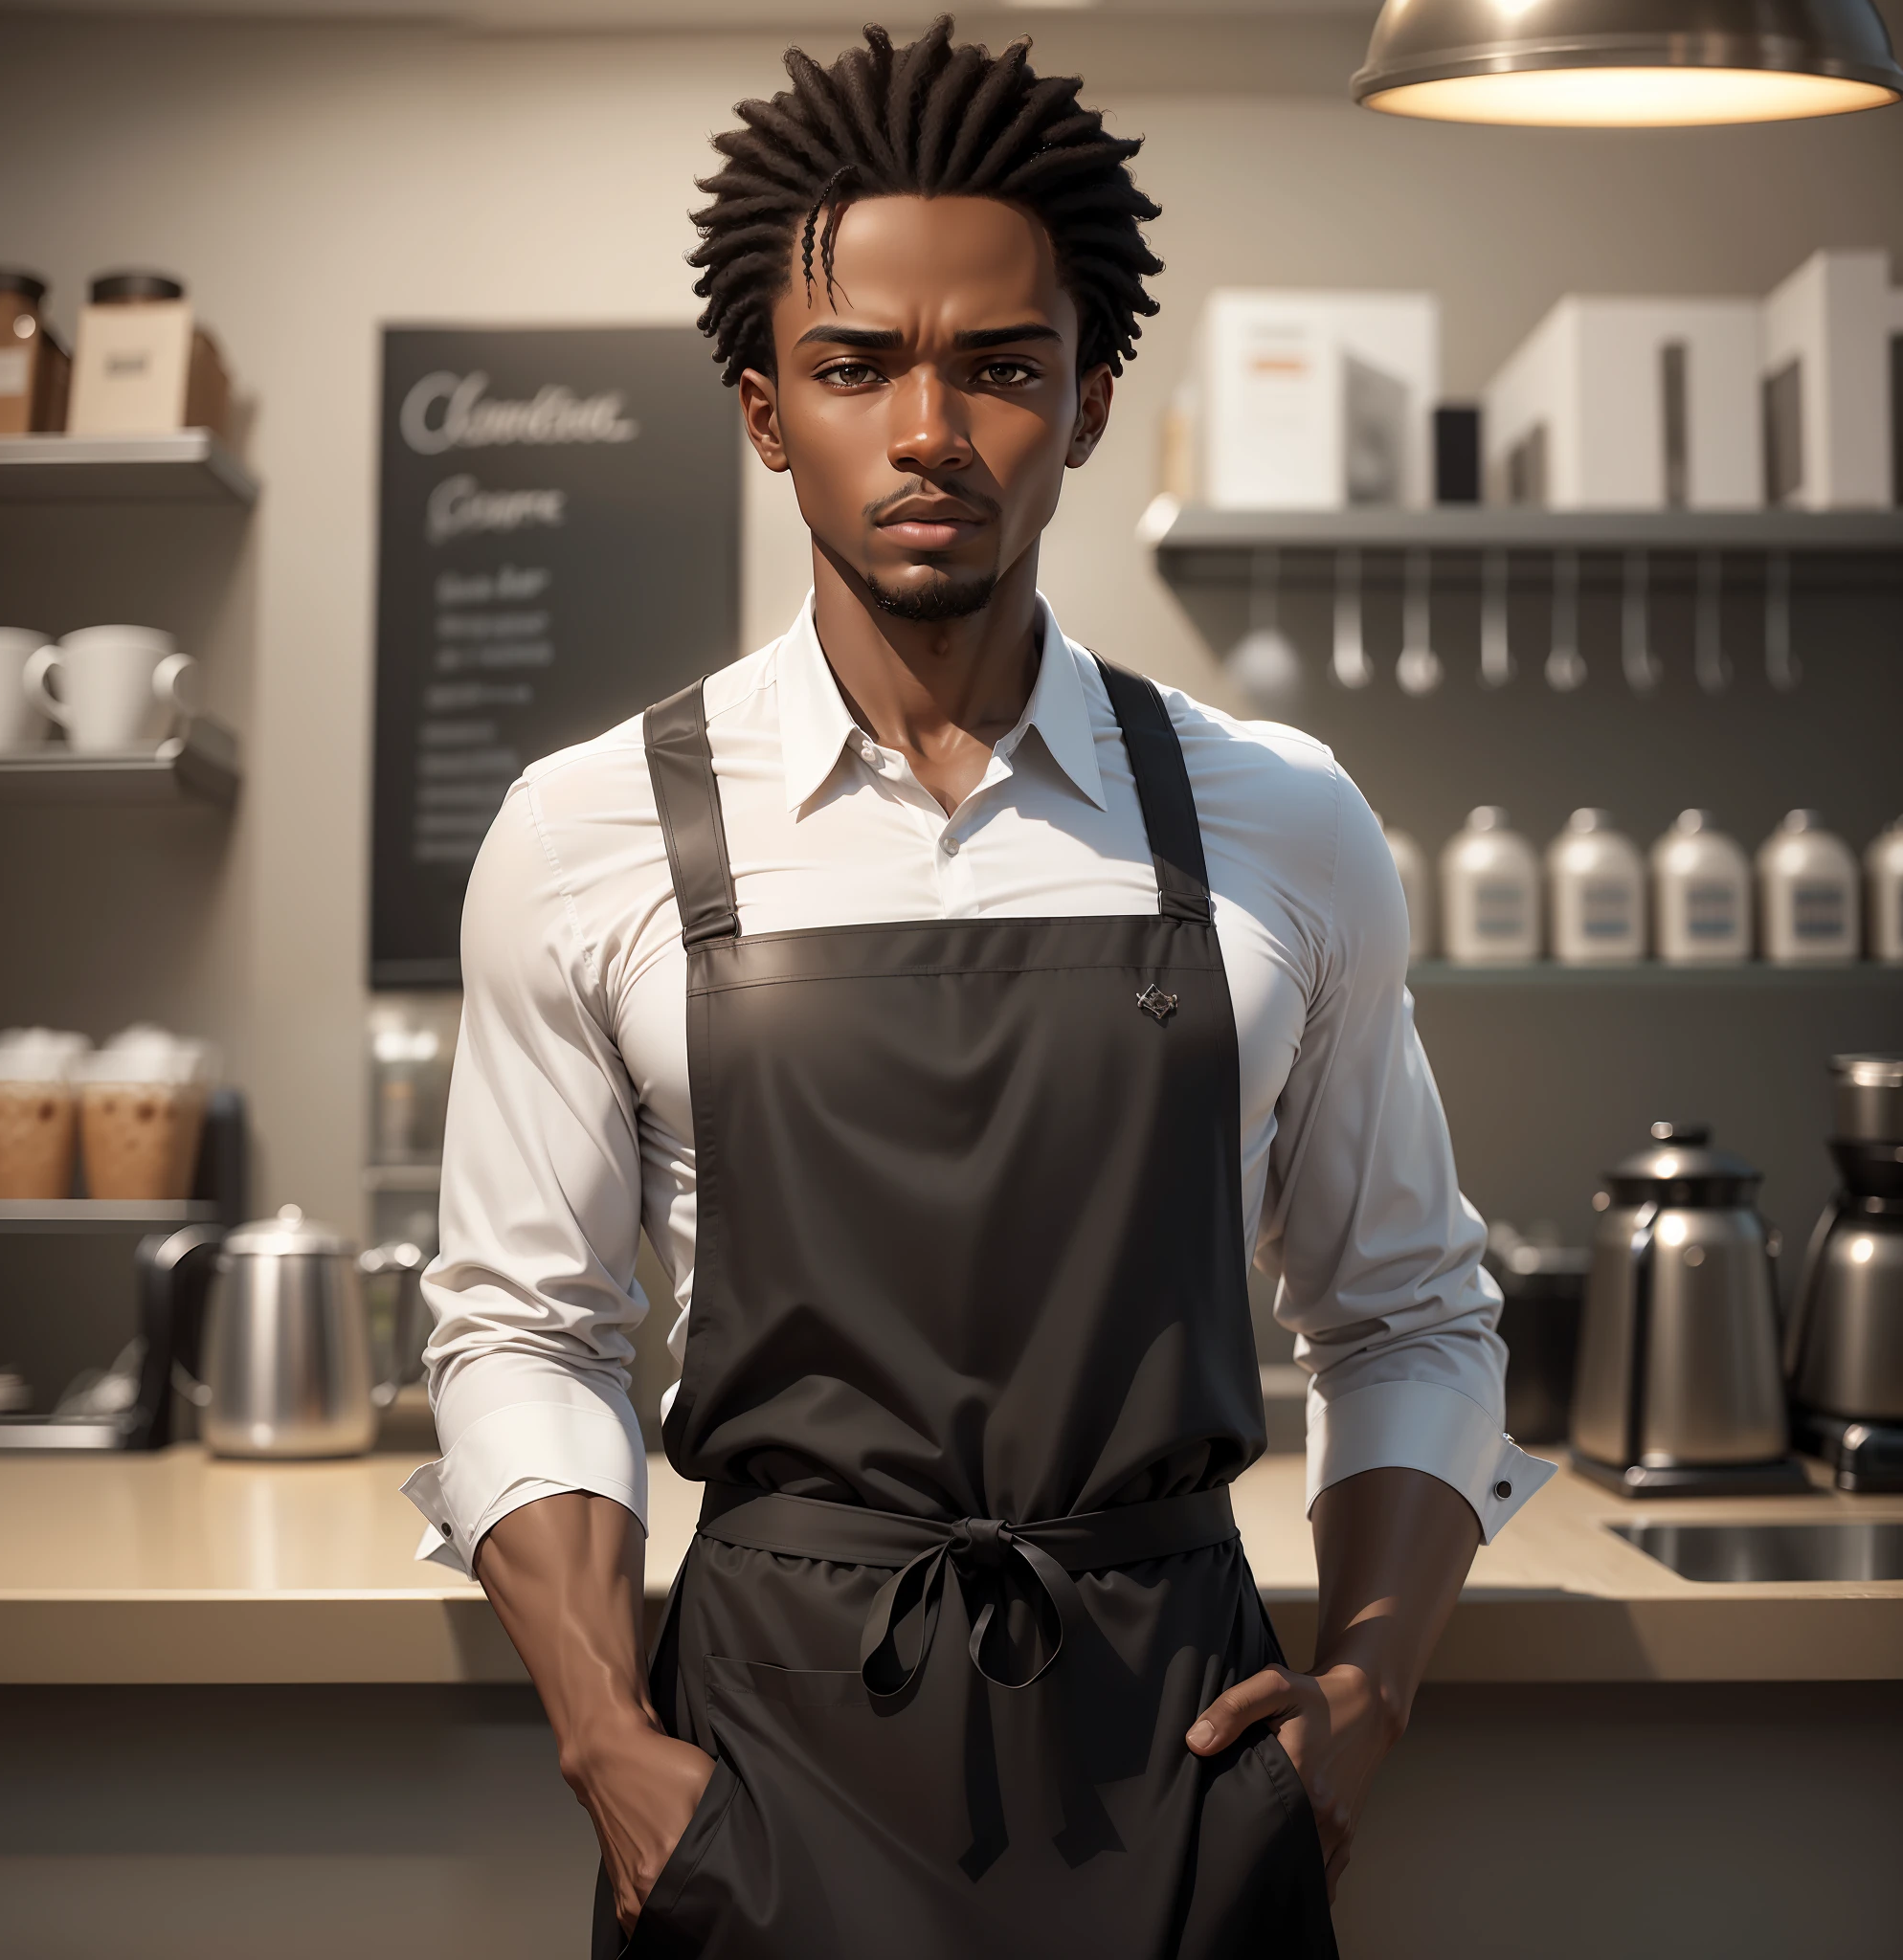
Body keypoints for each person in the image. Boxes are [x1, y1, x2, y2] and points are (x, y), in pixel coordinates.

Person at [404, 17, 1550, 1957]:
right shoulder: (586, 829)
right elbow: (524, 1325)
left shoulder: (1284, 821)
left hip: (1173, 1754)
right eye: (856, 366)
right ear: (765, 406)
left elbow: (1408, 1309)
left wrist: (1361, 1705)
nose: (930, 429)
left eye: (1001, 368)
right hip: (757, 1754)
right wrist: (609, 1739)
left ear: (1088, 402)